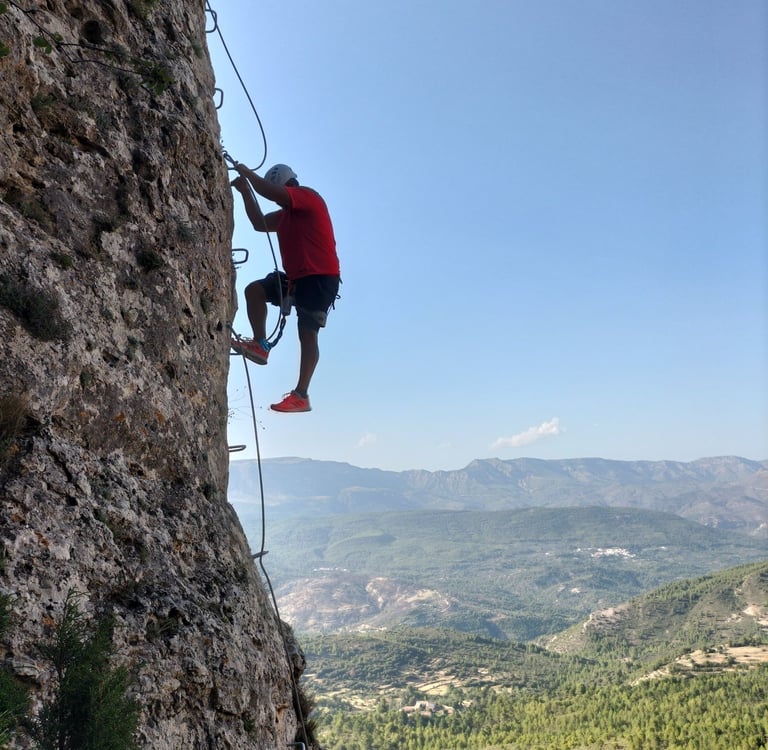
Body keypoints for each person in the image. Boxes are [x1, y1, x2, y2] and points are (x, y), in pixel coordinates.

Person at [230, 163, 341, 413]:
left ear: (286, 186)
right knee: (254, 291)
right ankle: (260, 345)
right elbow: (259, 223)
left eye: (280, 194)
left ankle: (301, 395)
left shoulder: (308, 198)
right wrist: (245, 191)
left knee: (307, 332)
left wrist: (246, 173)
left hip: (320, 276)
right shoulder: (285, 215)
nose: (279, 201)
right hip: (296, 278)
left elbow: (270, 193)